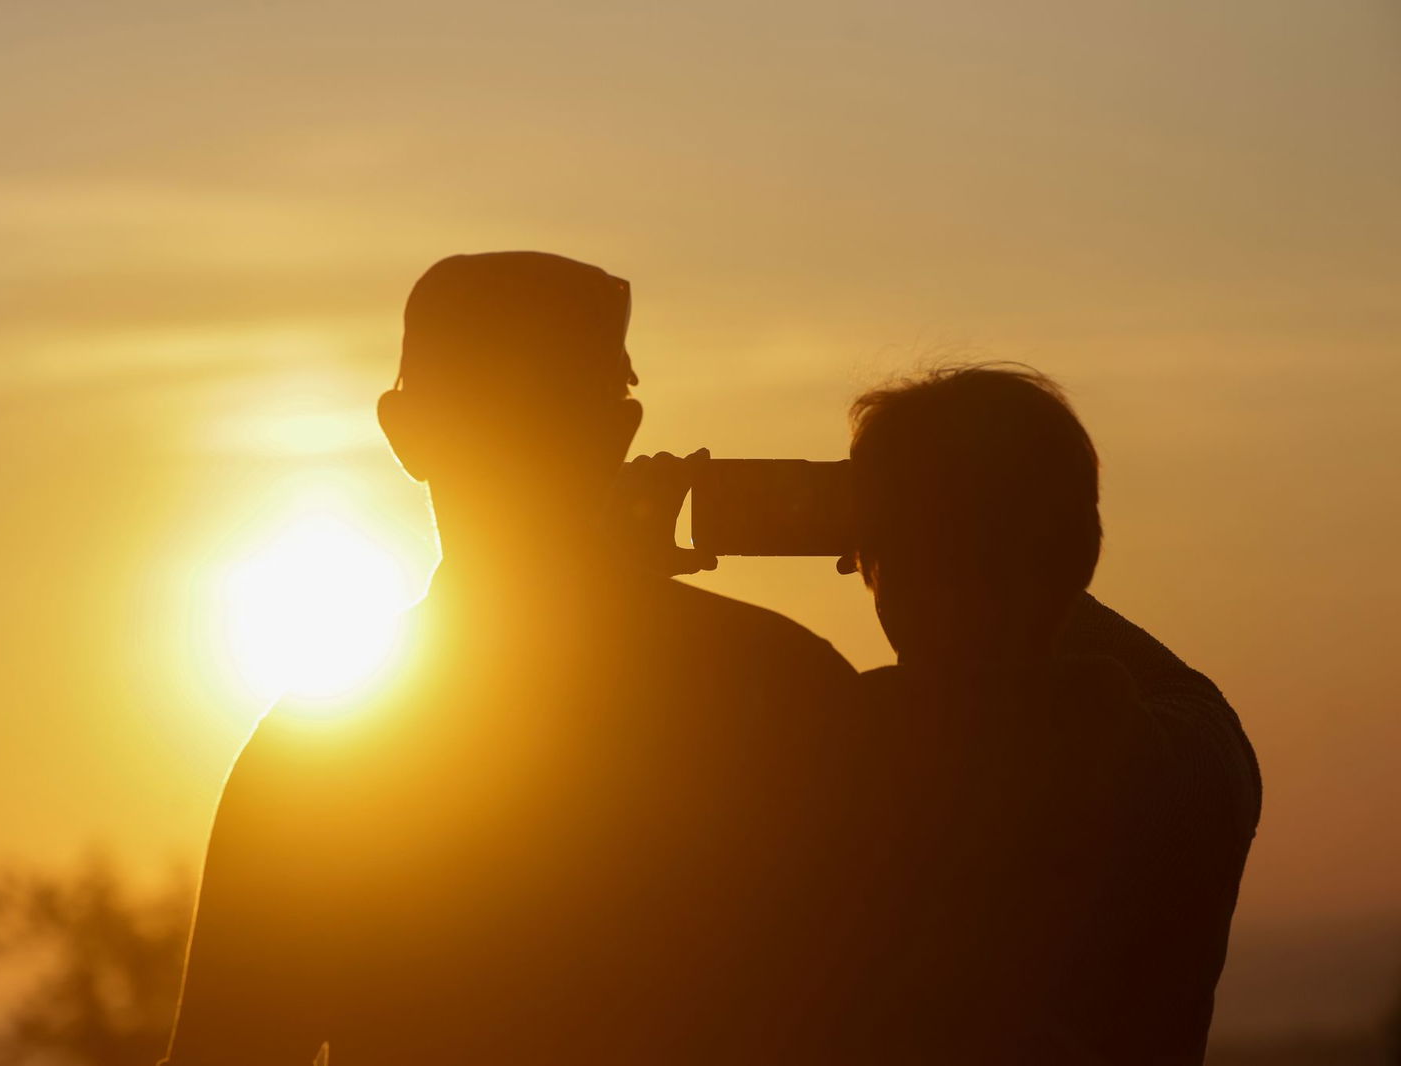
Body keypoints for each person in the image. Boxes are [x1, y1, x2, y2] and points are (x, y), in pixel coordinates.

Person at [160, 252, 859, 1065]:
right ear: (619, 430)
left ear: (405, 432)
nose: (521, 442)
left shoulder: (321, 749)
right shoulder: (783, 686)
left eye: (546, 408)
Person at [826, 365, 1262, 1063]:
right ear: (1085, 548)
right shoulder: (1192, 764)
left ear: (886, 569)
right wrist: (1018, 545)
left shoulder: (815, 761)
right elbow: (1165, 672)